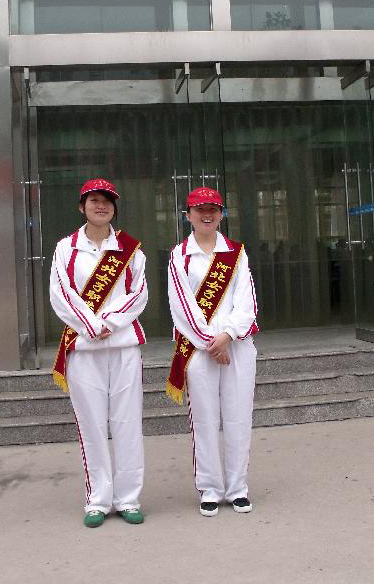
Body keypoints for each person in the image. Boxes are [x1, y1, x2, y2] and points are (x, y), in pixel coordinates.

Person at [50, 179, 148, 528]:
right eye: (94, 200)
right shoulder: (66, 248)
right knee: (91, 425)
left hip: (123, 347)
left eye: (107, 200)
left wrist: (110, 322)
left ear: (114, 207)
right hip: (84, 348)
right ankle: (98, 500)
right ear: (82, 206)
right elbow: (61, 293)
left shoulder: (130, 249)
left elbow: (139, 293)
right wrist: (92, 326)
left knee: (127, 423)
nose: (101, 205)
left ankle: (128, 498)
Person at [166, 187, 258, 516]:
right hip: (198, 350)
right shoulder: (179, 255)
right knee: (203, 420)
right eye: (199, 209)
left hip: (237, 348)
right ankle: (209, 488)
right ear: (187, 215)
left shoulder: (236, 252)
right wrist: (211, 342)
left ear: (221, 214)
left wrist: (228, 335)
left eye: (213, 209)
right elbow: (181, 306)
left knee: (238, 418)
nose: (207, 215)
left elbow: (246, 301)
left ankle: (238, 488)